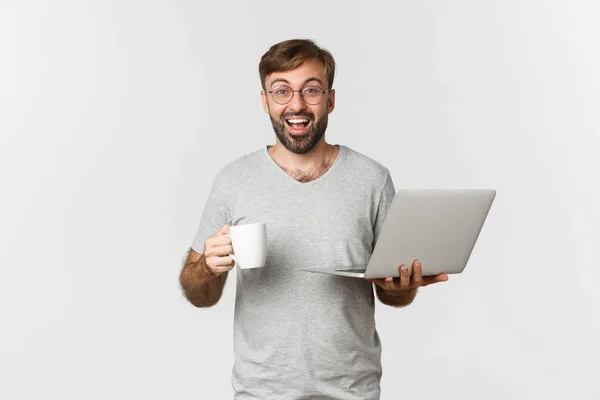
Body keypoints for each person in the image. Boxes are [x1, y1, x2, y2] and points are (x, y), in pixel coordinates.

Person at [179, 38, 448, 400]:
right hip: (261, 392)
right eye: (281, 91)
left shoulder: (372, 179)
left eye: (311, 90)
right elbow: (199, 294)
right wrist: (208, 269)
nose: (297, 105)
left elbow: (392, 294)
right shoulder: (232, 181)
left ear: (330, 100)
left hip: (353, 392)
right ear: (264, 102)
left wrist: (401, 287)